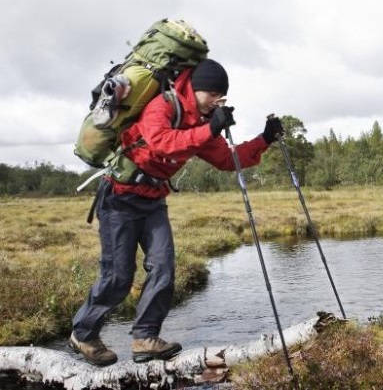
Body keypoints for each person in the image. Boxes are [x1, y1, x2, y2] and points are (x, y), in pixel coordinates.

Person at [69, 58, 283, 366]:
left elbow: (227, 160)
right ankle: (83, 333)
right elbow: (162, 143)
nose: (219, 101)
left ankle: (145, 338)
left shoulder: (200, 122)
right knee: (118, 277)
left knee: (164, 269)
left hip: (153, 200)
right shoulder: (163, 105)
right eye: (214, 94)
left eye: (222, 96)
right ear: (196, 90)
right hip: (120, 198)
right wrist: (210, 128)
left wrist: (264, 139)